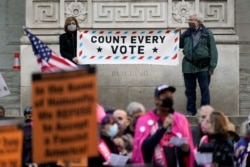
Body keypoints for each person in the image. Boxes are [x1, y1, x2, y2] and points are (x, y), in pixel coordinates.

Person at [132, 84, 194, 166]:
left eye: (171, 96)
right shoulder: (144, 120)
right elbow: (143, 148)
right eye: (165, 96)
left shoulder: (181, 119)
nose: (169, 99)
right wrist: (163, 129)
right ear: (156, 100)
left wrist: (186, 149)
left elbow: (188, 151)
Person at [179, 11, 218, 116]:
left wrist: (212, 67)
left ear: (198, 21)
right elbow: (179, 45)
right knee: (189, 91)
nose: (190, 22)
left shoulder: (207, 33)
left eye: (192, 20)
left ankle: (204, 113)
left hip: (203, 67)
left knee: (204, 90)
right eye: (189, 20)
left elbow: (213, 50)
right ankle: (191, 111)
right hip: (188, 66)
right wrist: (178, 34)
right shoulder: (186, 33)